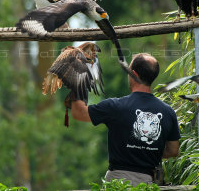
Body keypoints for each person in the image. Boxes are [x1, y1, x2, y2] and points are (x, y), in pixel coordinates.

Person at [69, 53, 181, 186]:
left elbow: (78, 113)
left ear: (134, 74)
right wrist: (146, 149)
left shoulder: (116, 107)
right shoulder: (168, 112)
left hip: (119, 182)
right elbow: (173, 150)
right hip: (151, 183)